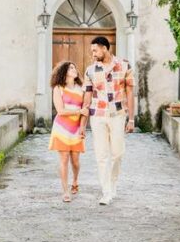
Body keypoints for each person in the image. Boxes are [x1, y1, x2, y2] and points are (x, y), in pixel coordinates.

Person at [82, 36, 135, 205]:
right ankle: (106, 191)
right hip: (97, 115)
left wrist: (132, 119)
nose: (93, 54)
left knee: (118, 153)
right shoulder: (90, 70)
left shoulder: (125, 65)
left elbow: (130, 93)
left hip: (118, 115)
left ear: (104, 48)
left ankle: (112, 184)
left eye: (95, 50)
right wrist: (83, 125)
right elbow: (87, 98)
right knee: (101, 155)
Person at [49, 61, 87, 203]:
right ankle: (65, 191)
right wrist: (79, 111)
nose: (74, 69)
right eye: (71, 67)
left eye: (74, 66)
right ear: (64, 72)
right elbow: (60, 111)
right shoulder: (58, 88)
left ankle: (75, 181)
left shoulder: (82, 88)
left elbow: (86, 111)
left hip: (76, 128)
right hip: (61, 128)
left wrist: (83, 126)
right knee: (63, 159)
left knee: (75, 161)